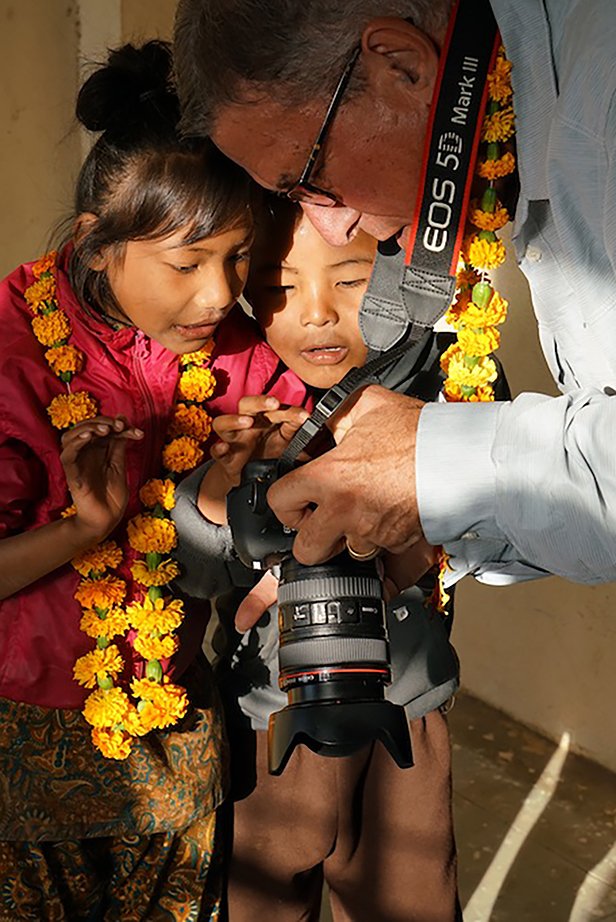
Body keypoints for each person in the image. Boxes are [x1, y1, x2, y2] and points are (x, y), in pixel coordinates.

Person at [0, 40, 308, 920]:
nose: (218, 297)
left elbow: (303, 464)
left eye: (238, 258)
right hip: (20, 744)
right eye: (186, 264)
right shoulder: (15, 350)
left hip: (177, 735)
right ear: (98, 247)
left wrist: (257, 476)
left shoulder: (237, 349)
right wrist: (81, 528)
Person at [173, 0, 616, 585]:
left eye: (312, 181)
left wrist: (428, 463)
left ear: (401, 67)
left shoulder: (600, 104)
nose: (334, 229)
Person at [171, 198, 511, 921]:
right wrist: (231, 484)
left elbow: (498, 524)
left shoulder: (449, 390)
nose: (315, 313)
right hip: (264, 716)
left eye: (350, 280)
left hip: (406, 716)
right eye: (277, 288)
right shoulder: (237, 404)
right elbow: (195, 572)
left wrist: (407, 531)